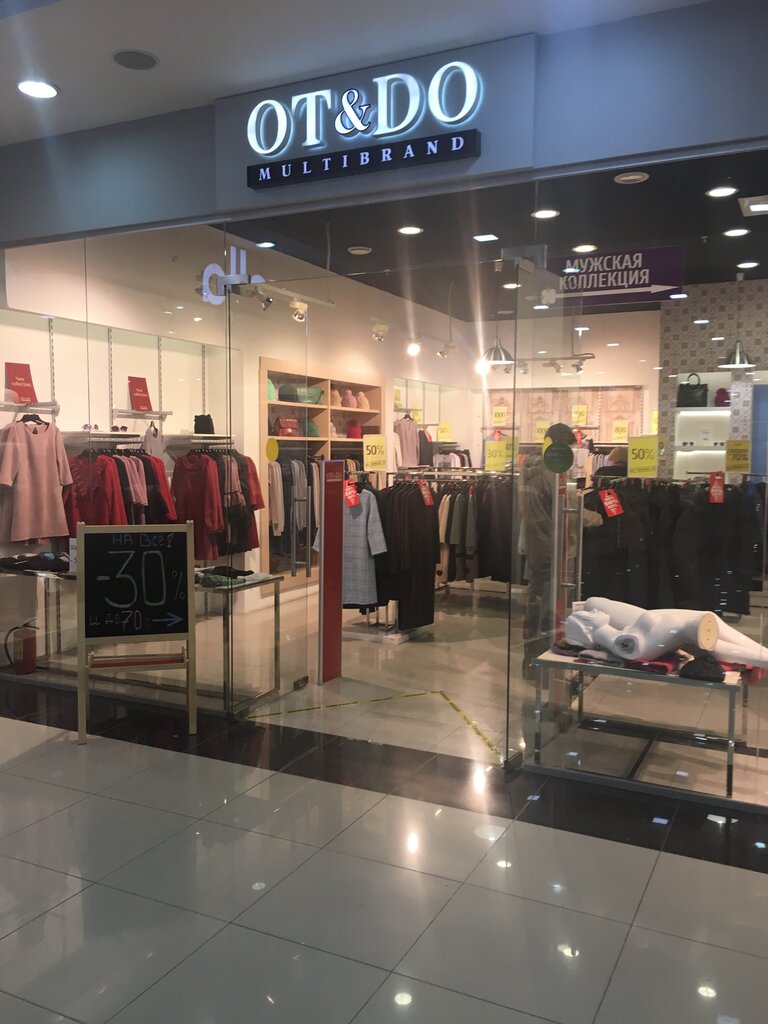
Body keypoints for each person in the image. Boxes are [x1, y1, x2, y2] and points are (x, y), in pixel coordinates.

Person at [519, 423, 602, 679]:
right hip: (555, 546)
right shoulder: (551, 470)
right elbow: (569, 510)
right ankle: (547, 669)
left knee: (536, 604)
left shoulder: (527, 467)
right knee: (551, 610)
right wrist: (597, 517)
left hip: (536, 544)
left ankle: (531, 662)